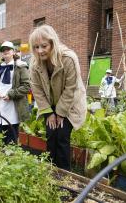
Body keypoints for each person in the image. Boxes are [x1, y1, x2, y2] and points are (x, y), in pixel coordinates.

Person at [29, 25, 87, 170]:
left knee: (61, 137)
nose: (40, 51)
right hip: (49, 103)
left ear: (52, 43)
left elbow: (71, 88)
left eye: (44, 46)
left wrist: (60, 113)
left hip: (70, 102)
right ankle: (51, 171)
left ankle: (65, 176)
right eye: (36, 47)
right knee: (50, 135)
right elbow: (36, 89)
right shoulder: (35, 62)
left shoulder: (68, 58)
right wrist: (48, 113)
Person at [0, 41, 30, 145]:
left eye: (8, 49)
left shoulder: (21, 66)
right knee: (1, 136)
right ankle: (2, 158)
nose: (5, 51)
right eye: (3, 50)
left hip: (13, 107)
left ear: (13, 51)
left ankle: (11, 158)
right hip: (0, 106)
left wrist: (11, 94)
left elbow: (26, 86)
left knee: (12, 138)